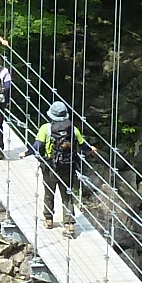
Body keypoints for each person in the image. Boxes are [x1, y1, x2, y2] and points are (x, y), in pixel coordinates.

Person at [37, 97, 80, 229]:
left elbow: (37, 146)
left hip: (50, 166)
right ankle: (69, 224)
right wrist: (91, 149)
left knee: (49, 193)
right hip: (67, 166)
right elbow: (83, 145)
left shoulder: (45, 128)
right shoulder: (73, 129)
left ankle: (49, 219)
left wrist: (27, 153)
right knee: (67, 195)